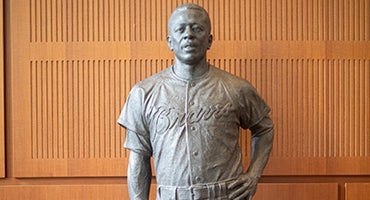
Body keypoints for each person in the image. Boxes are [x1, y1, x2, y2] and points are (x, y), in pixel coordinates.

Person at [117, 3, 274, 200]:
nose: (188, 34)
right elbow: (138, 158)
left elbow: (264, 128)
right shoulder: (143, 93)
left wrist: (253, 175)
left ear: (209, 40)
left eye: (197, 28)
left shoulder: (236, 88)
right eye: (180, 29)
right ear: (170, 41)